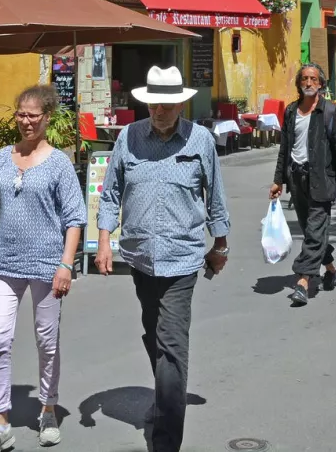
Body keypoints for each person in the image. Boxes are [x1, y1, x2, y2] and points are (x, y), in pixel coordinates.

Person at [95, 64, 230, 452]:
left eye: (167, 104)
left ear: (181, 104)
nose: (159, 111)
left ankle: (166, 441)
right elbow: (111, 191)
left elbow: (215, 195)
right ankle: (165, 396)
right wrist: (104, 240)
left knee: (172, 345)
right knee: (153, 333)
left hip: (182, 258)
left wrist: (219, 246)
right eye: (154, 103)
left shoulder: (200, 140)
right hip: (140, 257)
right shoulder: (129, 137)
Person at [0, 86, 87, 452]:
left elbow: (74, 219)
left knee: (46, 341)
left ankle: (48, 409)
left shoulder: (59, 164)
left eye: (32, 115)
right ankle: (0, 420)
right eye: (21, 114)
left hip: (47, 264)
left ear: (47, 117)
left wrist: (66, 265)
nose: (25, 121)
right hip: (5, 262)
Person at [270, 63, 336, 306]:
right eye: (304, 79)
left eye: (313, 79)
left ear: (320, 84)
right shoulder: (291, 112)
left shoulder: (329, 112)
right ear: (299, 83)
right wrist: (278, 180)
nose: (308, 83)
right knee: (311, 231)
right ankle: (331, 270)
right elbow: (285, 149)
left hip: (322, 181)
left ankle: (303, 281)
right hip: (297, 179)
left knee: (315, 232)